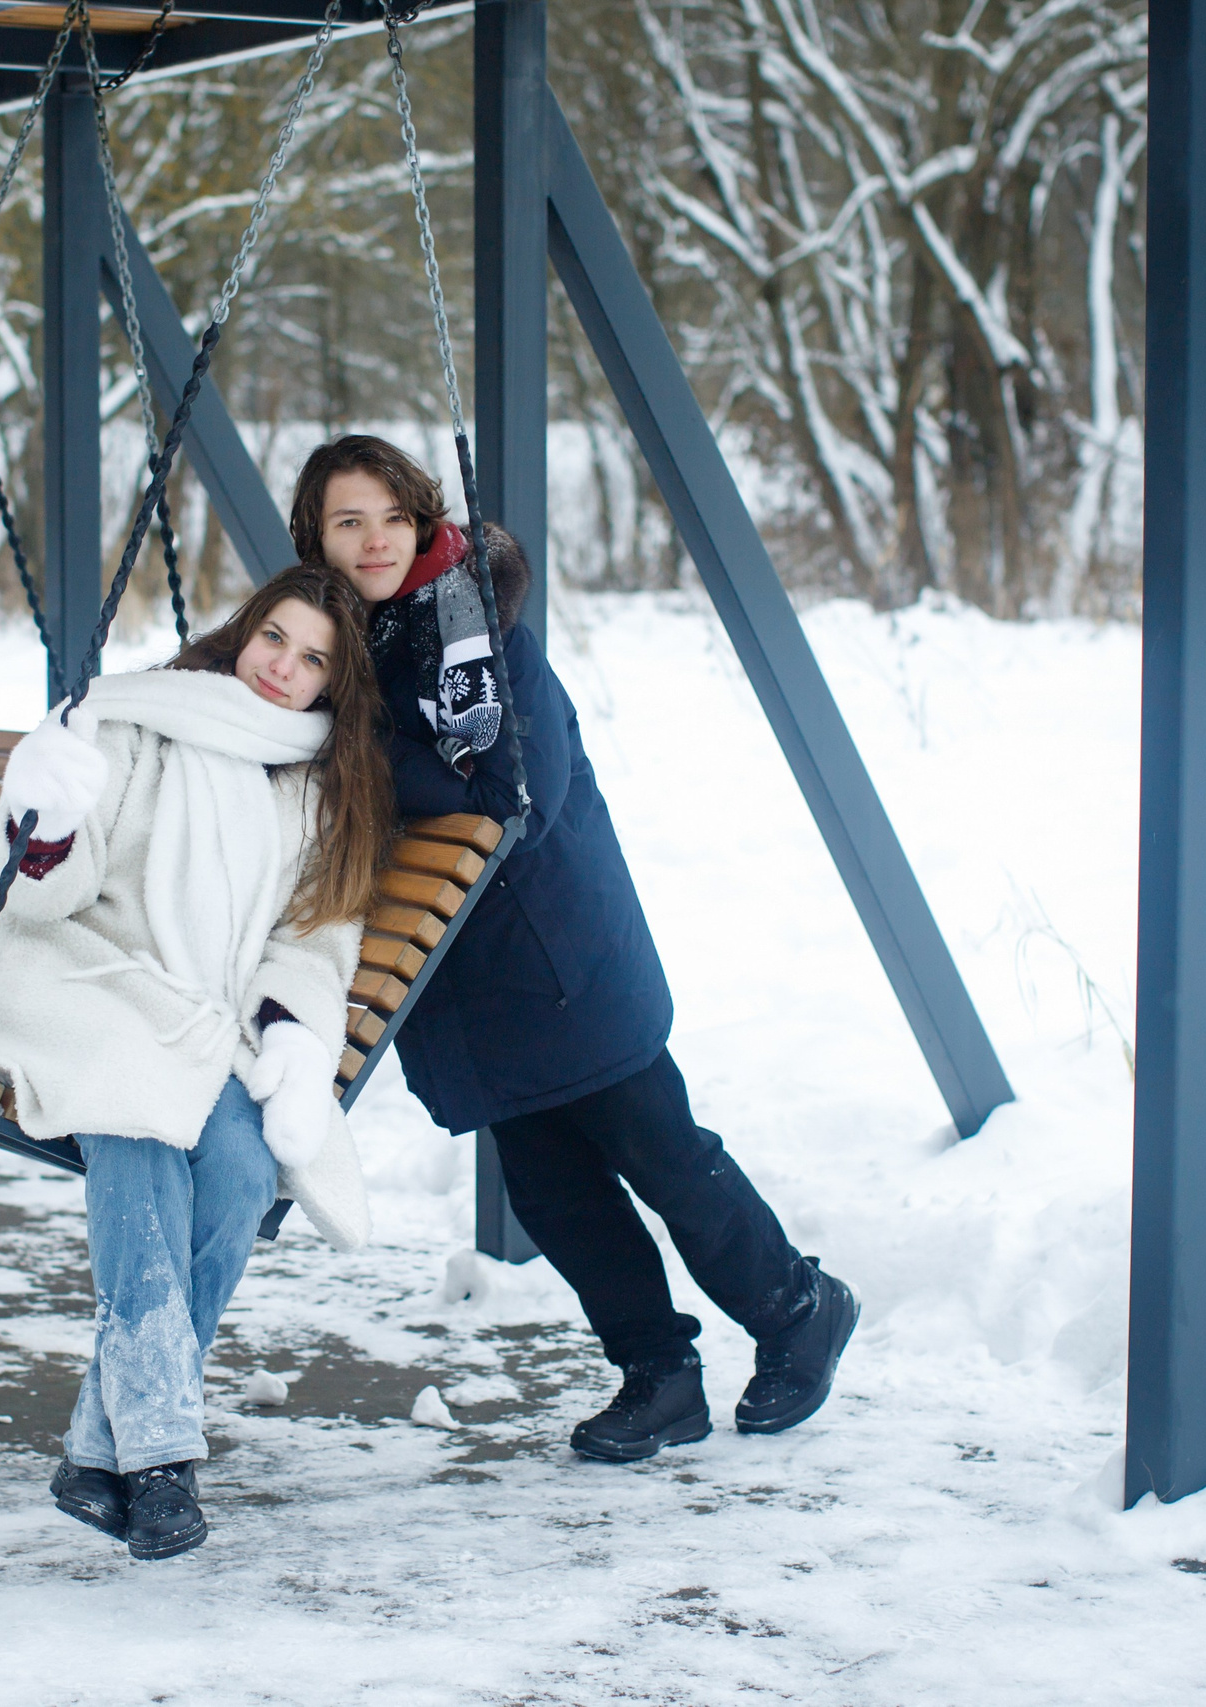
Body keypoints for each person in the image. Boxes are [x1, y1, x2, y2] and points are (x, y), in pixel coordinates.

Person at [290, 433, 859, 1463]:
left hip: (559, 956)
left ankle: (795, 1309)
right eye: (346, 522)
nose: (373, 540)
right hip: (462, 982)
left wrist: (357, 763)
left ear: (421, 518)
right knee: (552, 1191)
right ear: (316, 540)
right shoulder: (333, 647)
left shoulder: (473, 625)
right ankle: (657, 1374)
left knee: (660, 1153)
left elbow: (510, 792)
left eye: (389, 516)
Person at [0, 565, 396, 1559]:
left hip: (196, 1023)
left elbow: (314, 942)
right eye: (276, 639)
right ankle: (163, 1455)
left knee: (241, 1169)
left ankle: (103, 1446)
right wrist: (42, 824)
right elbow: (46, 897)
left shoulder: (320, 792)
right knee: (136, 1113)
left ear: (331, 689)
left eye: (312, 661)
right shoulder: (139, 723)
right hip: (75, 983)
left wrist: (296, 1040)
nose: (283, 669)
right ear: (243, 631)